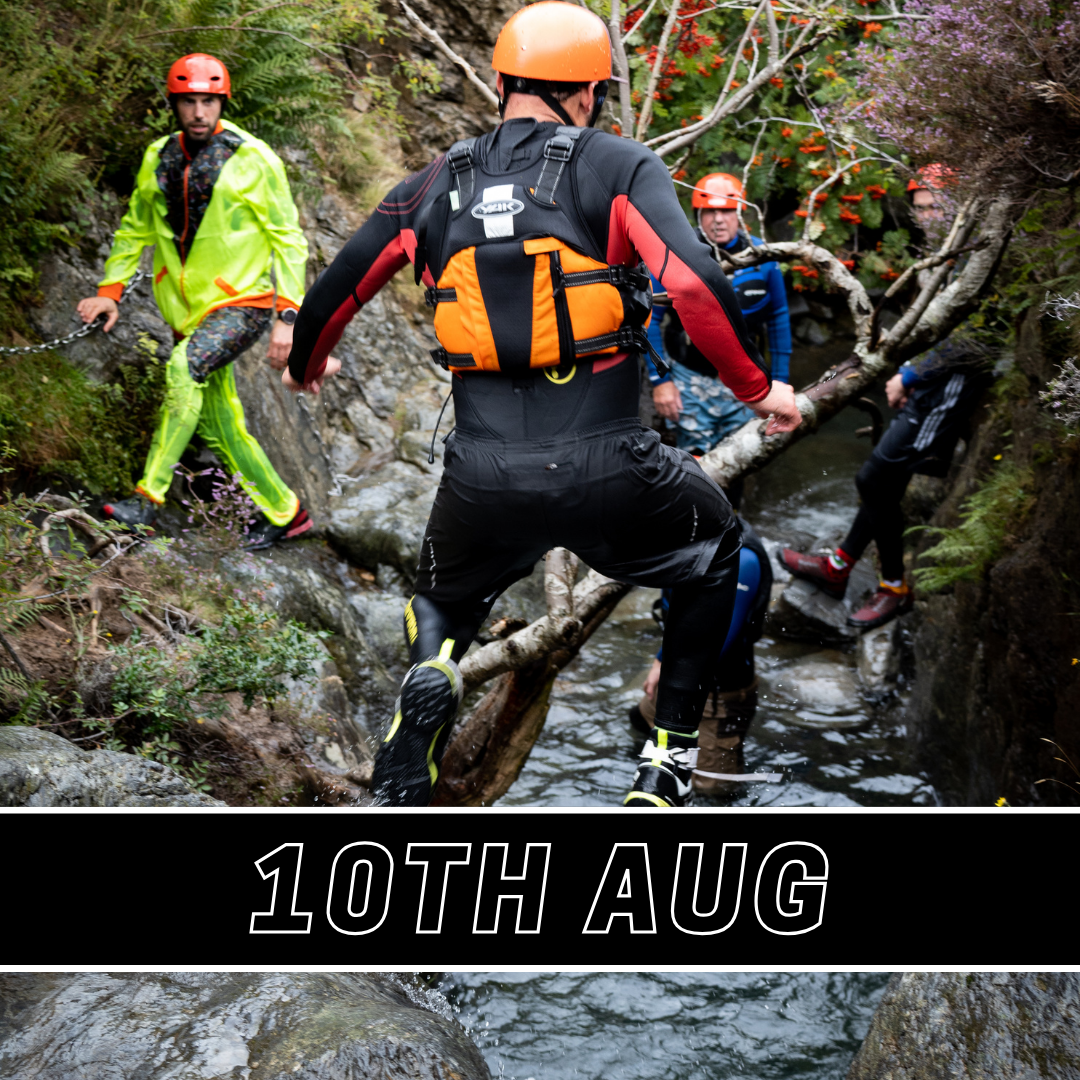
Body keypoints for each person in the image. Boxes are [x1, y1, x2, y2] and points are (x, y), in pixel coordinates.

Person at [283, 1, 801, 807]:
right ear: (589, 92)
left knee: (441, 597)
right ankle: (664, 758)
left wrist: (307, 366)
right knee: (722, 558)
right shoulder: (619, 166)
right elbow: (695, 281)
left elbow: (332, 294)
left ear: (499, 82)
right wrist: (761, 390)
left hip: (483, 478)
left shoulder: (430, 185)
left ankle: (433, 674)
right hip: (613, 469)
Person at [76, 54, 312, 549]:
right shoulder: (158, 155)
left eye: (208, 101)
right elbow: (136, 228)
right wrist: (110, 292)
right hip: (187, 311)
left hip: (243, 304)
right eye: (189, 102)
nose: (199, 111)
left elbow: (288, 239)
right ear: (175, 105)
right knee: (221, 424)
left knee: (184, 370)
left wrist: (289, 317)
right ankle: (287, 512)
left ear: (221, 102)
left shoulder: (254, 157)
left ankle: (148, 499)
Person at [781, 166, 992, 629]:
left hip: (950, 389)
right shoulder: (944, 252)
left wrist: (911, 375)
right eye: (919, 209)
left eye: (935, 206)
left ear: (957, 205)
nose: (926, 216)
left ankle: (894, 587)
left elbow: (976, 337)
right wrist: (905, 372)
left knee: (873, 481)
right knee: (883, 481)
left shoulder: (976, 254)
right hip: (929, 383)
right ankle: (839, 567)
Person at [649, 173, 792, 457]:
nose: (718, 219)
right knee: (695, 464)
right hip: (689, 381)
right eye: (710, 211)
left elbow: (779, 319)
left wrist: (780, 382)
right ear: (697, 214)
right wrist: (660, 382)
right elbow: (649, 320)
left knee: (741, 457)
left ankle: (735, 503)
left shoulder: (763, 257)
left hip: (748, 382)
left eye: (726, 211)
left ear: (739, 214)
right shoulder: (673, 254)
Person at [629, 515, 772, 796]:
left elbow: (717, 639)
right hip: (674, 675)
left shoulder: (742, 560)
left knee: (712, 793)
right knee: (640, 722)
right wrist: (661, 661)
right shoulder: (686, 536)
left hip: (716, 700)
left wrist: (662, 659)